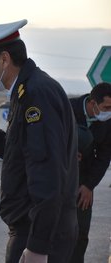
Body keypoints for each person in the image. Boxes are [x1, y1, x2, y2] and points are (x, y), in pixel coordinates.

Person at [0, 19, 78, 263]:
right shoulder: (26, 91)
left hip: (39, 235)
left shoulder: (36, 95)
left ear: (4, 59)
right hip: (32, 230)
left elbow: (47, 173)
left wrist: (38, 247)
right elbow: (18, 150)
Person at [69, 82, 111, 263]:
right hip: (57, 179)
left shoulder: (107, 122)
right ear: (92, 103)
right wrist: (67, 152)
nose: (110, 111)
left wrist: (89, 185)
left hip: (84, 182)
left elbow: (104, 156)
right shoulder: (66, 108)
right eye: (107, 107)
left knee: (80, 234)